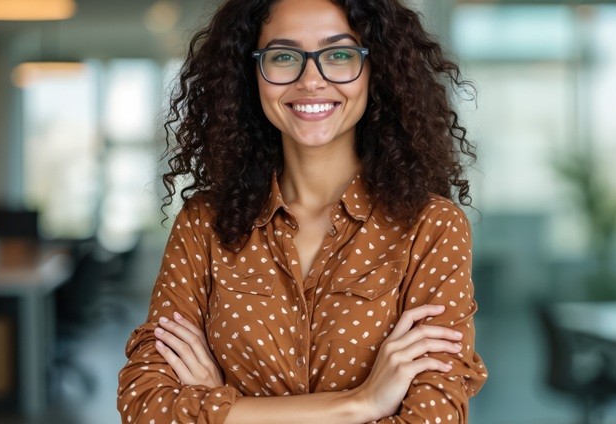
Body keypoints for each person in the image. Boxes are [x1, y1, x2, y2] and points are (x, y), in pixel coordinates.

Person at [116, 0, 486, 422]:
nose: (311, 80)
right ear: (250, 72)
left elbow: (434, 417)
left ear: (375, 68)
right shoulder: (203, 225)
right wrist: (359, 404)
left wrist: (222, 405)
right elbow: (144, 406)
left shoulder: (432, 228)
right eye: (284, 56)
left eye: (340, 54)